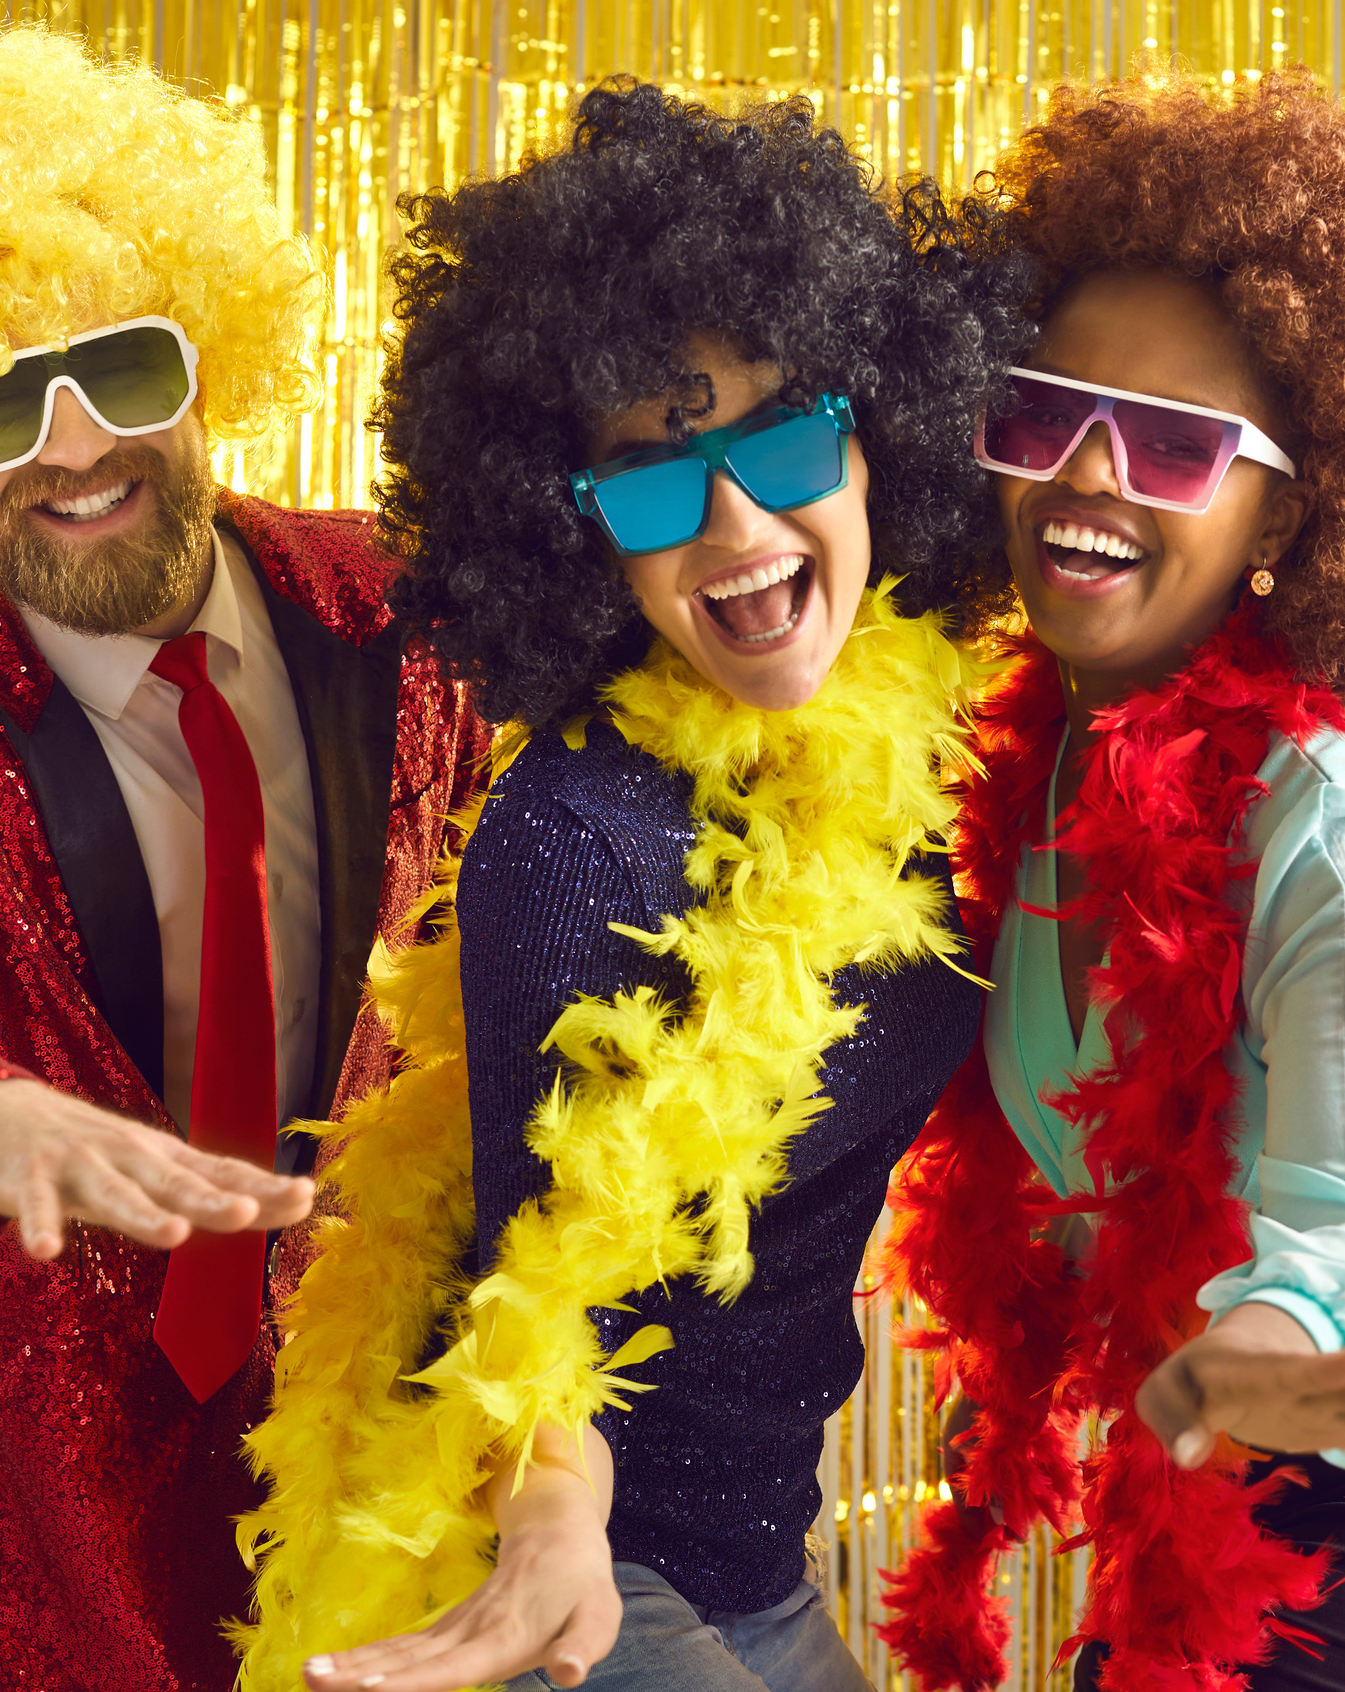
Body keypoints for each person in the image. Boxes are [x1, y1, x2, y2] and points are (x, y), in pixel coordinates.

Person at [0, 27, 489, 1692]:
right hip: (28, 1529)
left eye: (121, 371)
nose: (71, 451)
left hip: (390, 1464)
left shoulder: (420, 617)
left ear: (207, 364)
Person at [238, 81, 1033, 1692]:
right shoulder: (575, 834)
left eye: (783, 435)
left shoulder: (946, 757)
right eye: (654, 480)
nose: (736, 525)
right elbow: (540, 1293)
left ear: (879, 427)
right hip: (572, 1574)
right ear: (576, 530)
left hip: (758, 1559)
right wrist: (547, 1523)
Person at [880, 71, 1345, 1692]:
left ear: (1293, 508)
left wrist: (1242, 1358)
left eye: (1179, 448)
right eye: (1044, 416)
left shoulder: (1338, 829)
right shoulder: (1030, 749)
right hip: (1204, 1456)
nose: (1089, 478)